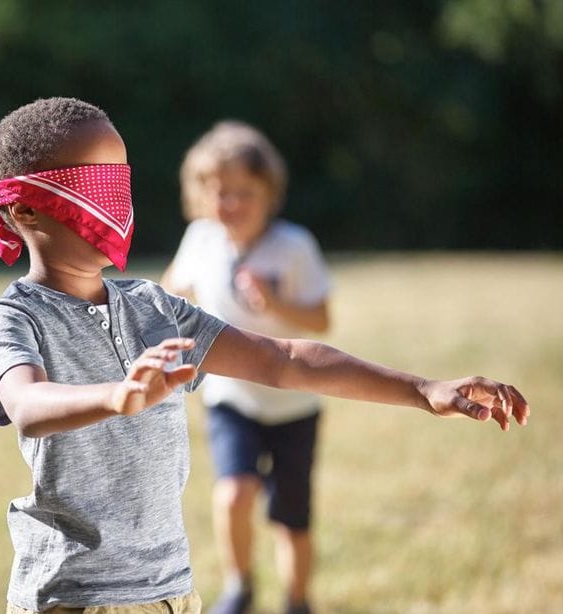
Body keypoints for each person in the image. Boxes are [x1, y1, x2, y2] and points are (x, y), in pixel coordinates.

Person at [0, 97, 529, 614]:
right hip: (71, 597)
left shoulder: (153, 307)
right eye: (89, 188)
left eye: (118, 182)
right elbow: (26, 402)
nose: (112, 204)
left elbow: (282, 358)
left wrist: (422, 390)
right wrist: (118, 395)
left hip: (169, 594)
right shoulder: (11, 316)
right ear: (26, 212)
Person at [162, 120, 332, 614]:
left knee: (291, 519)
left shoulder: (294, 245)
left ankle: (297, 600)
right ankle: (239, 587)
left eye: (244, 192)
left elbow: (321, 318)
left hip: (295, 406)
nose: (231, 204)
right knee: (233, 493)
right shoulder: (201, 239)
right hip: (231, 398)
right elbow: (171, 292)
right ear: (200, 195)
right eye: (220, 193)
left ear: (269, 192)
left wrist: (278, 301)